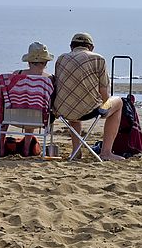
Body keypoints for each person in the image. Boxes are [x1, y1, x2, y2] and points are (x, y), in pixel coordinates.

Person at [52, 32, 126, 161]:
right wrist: (106, 105)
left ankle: (76, 152)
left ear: (71, 47)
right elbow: (104, 90)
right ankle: (106, 152)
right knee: (118, 102)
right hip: (89, 110)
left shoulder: (61, 59)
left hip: (62, 110)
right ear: (91, 47)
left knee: (73, 105)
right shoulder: (98, 59)